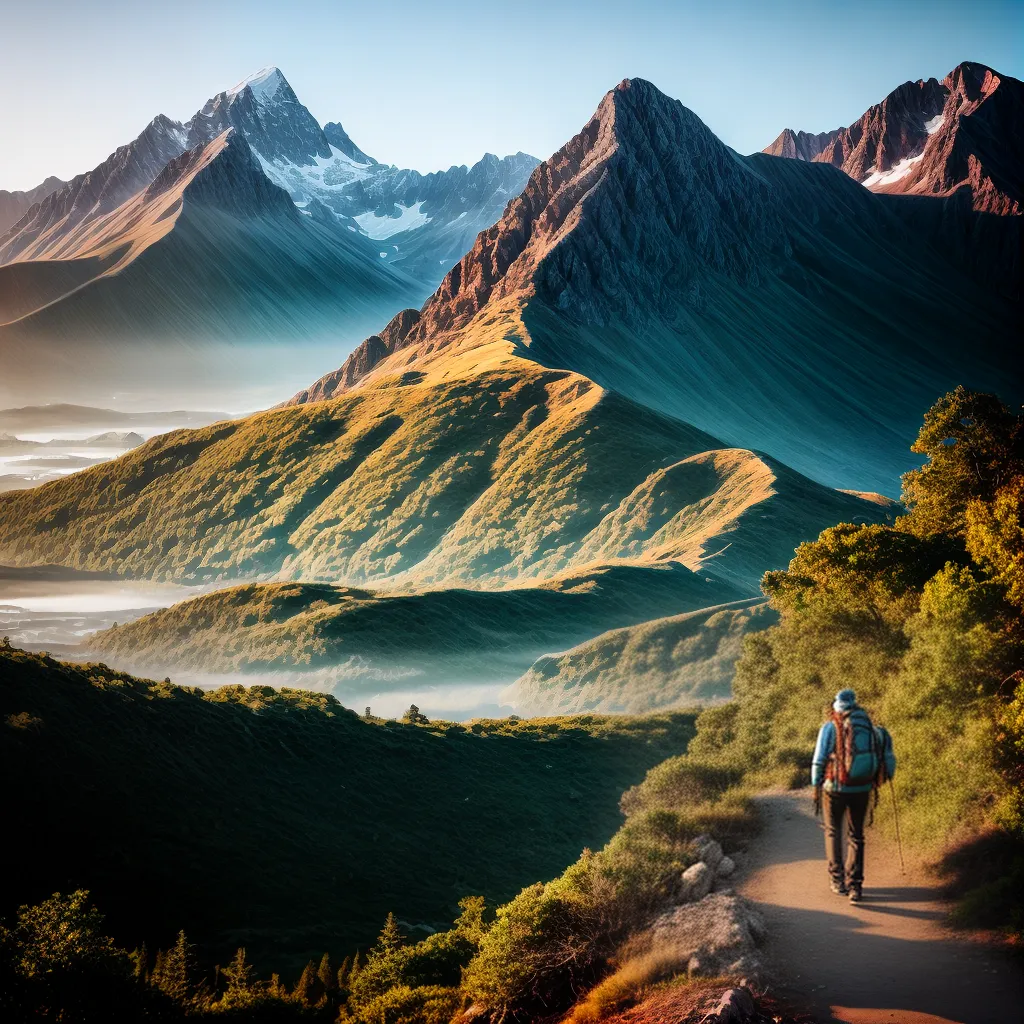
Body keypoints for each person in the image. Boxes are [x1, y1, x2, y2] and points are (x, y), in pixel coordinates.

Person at [811, 688, 896, 902]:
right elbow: (889, 761)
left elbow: (819, 760)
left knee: (833, 831)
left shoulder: (830, 727)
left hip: (835, 788)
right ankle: (855, 886)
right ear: (856, 706)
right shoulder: (875, 730)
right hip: (862, 788)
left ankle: (837, 881)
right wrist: (879, 780)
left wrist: (816, 785)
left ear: (836, 707)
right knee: (856, 835)